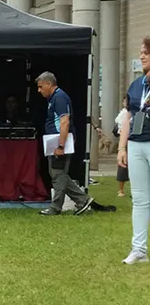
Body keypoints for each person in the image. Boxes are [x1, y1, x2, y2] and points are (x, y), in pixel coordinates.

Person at [36, 71, 93, 216]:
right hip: (56, 140)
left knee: (58, 174)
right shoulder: (54, 98)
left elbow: (64, 122)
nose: (39, 90)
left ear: (49, 84)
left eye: (41, 86)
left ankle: (57, 207)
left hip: (59, 141)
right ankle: (82, 200)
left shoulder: (59, 98)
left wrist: (60, 145)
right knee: (58, 174)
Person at [119, 38, 150, 264]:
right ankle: (138, 249)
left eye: (146, 53)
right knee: (139, 198)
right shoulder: (135, 85)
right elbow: (128, 117)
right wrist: (122, 146)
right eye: (141, 52)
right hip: (136, 144)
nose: (142, 56)